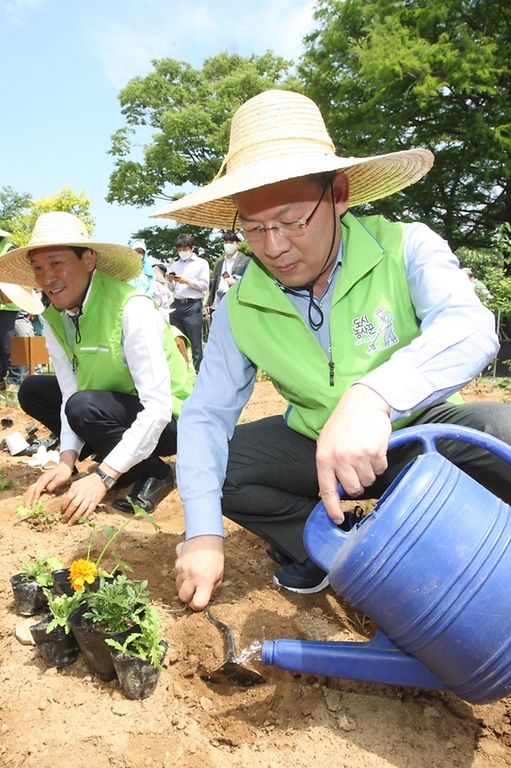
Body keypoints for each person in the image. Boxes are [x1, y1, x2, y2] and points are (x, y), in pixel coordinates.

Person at [149, 89, 507, 611]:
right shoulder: (239, 304)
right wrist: (204, 533)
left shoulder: (406, 246)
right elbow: (205, 415)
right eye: (253, 227)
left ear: (338, 192)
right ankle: (336, 551)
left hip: (418, 437)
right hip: (316, 452)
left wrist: (373, 397)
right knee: (215, 469)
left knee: (502, 433)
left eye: (293, 219)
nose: (273, 247)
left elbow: (470, 324)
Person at [0, 211, 194, 525]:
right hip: (109, 409)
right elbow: (68, 393)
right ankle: (120, 457)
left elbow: (157, 409)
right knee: (35, 391)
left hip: (171, 422)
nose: (47, 278)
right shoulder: (55, 318)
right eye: (38, 267)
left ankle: (155, 472)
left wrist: (103, 476)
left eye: (56, 263)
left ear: (88, 260)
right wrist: (66, 461)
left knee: (84, 408)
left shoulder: (131, 308)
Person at [166, 234, 209, 372]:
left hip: (192, 305)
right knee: (177, 339)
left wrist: (188, 281)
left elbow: (205, 285)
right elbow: (172, 288)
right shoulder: (175, 264)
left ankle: (198, 372)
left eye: (185, 249)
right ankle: (182, 371)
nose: (182, 252)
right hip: (177, 304)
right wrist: (170, 280)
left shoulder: (201, 263)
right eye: (179, 249)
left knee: (195, 341)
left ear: (192, 248)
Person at [205, 231, 250, 320]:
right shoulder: (220, 262)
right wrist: (208, 303)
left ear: (237, 244)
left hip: (235, 302)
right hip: (218, 302)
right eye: (226, 242)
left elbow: (249, 281)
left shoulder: (245, 261)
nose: (228, 245)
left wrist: (236, 282)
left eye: (231, 242)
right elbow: (214, 283)